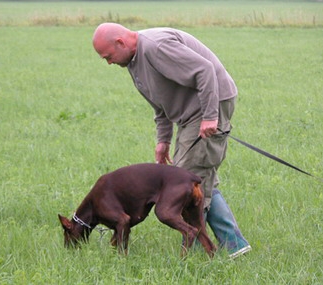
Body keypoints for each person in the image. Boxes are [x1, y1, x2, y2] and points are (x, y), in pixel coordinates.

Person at [92, 23, 251, 259]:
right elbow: (160, 101)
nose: (109, 62)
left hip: (209, 104)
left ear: (120, 43)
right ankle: (234, 244)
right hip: (190, 112)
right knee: (196, 177)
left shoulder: (156, 47)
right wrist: (163, 140)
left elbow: (205, 70)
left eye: (108, 56)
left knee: (183, 180)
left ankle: (200, 251)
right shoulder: (134, 62)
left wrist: (210, 116)